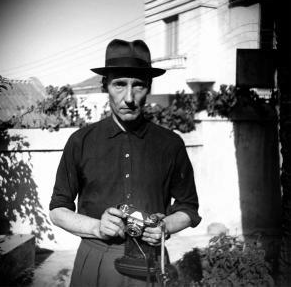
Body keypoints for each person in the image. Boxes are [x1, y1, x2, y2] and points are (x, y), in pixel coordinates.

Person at [49, 39, 201, 287]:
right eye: (119, 84)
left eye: (138, 86)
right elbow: (58, 210)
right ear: (105, 86)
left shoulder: (170, 144)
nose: (129, 97)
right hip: (95, 261)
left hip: (151, 261)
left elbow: (189, 208)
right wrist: (97, 227)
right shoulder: (80, 142)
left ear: (149, 87)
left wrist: (165, 225)